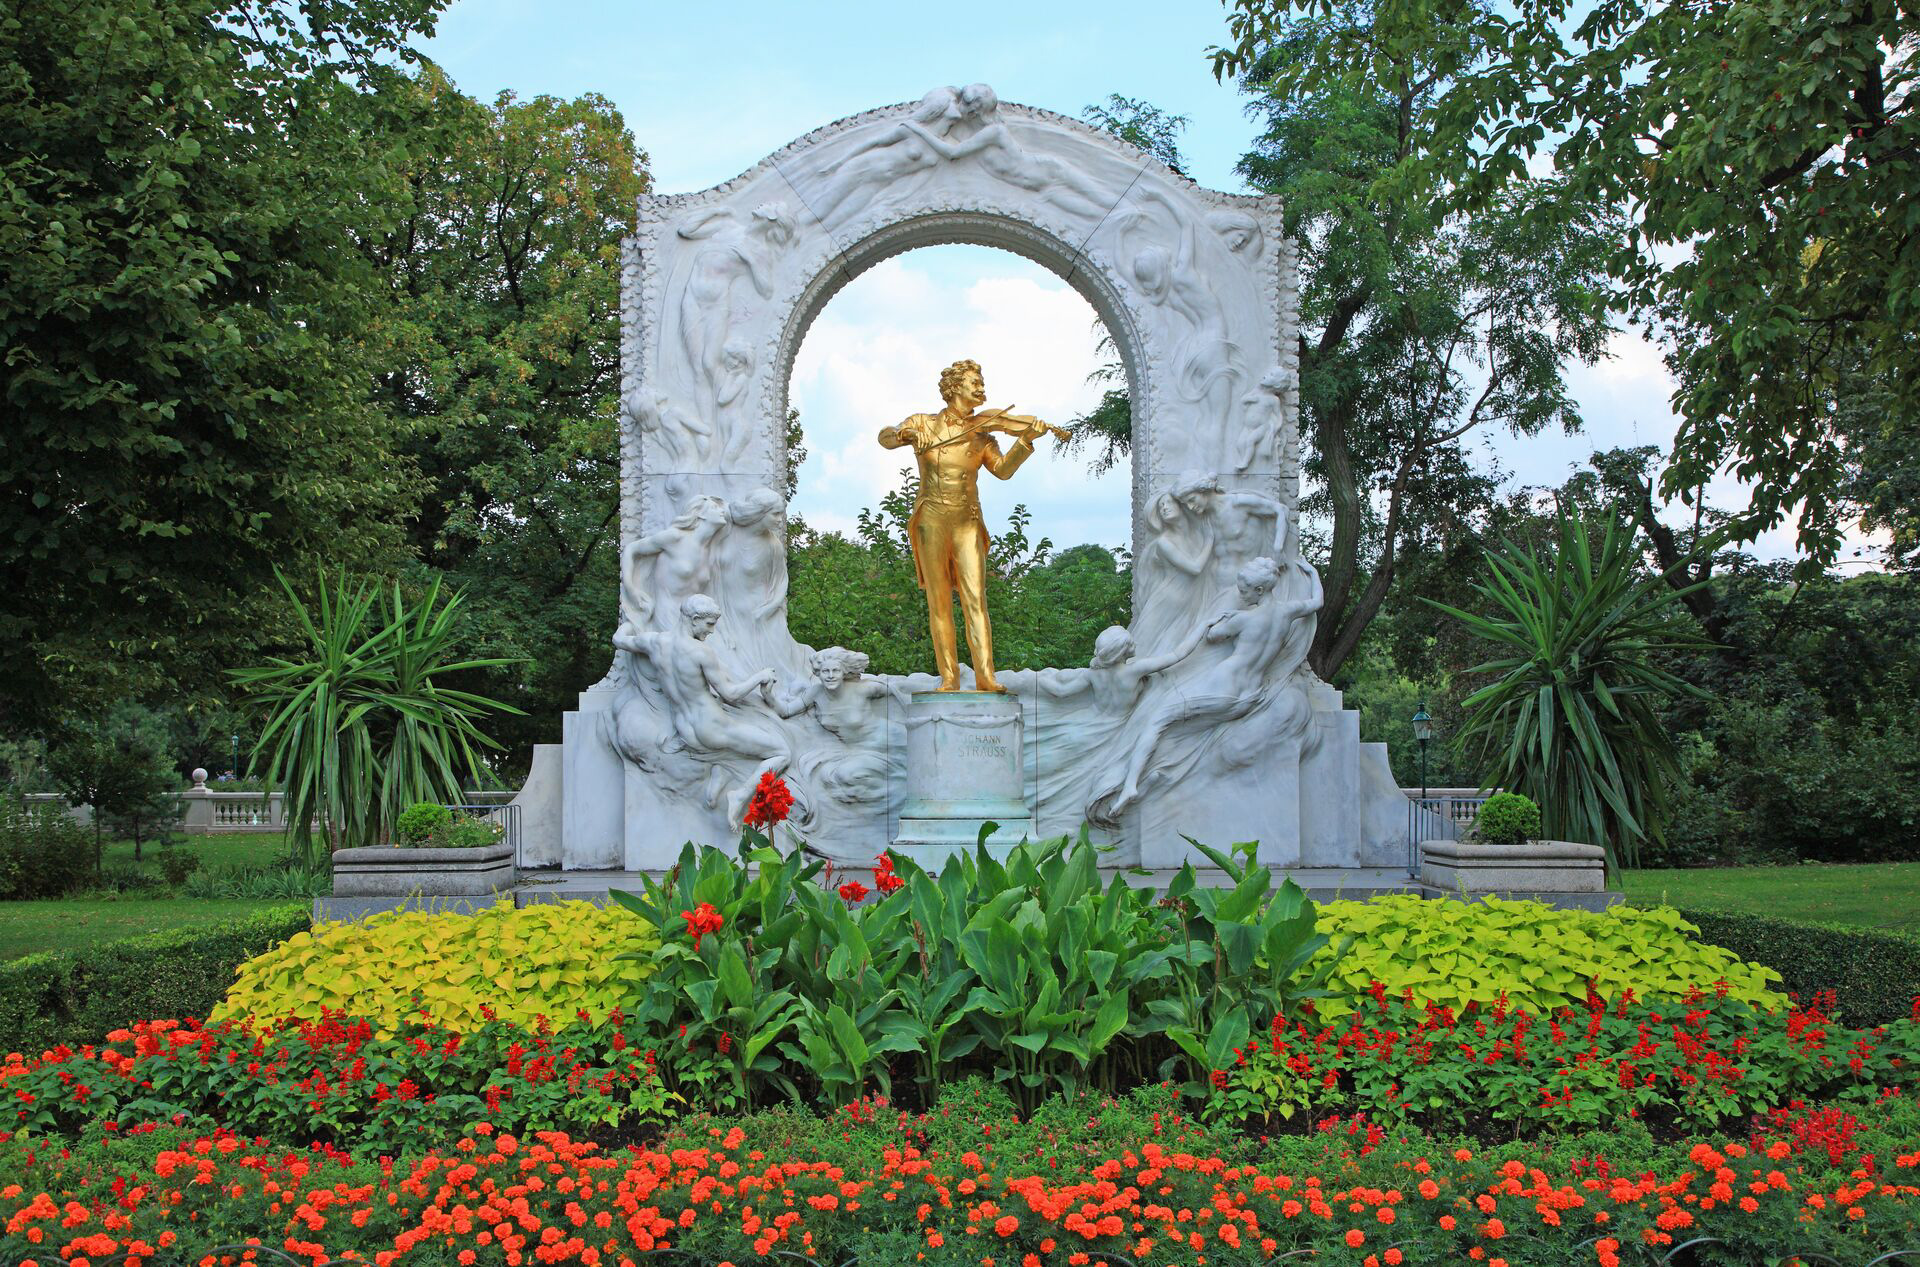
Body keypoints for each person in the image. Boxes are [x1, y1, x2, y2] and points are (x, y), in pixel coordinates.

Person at [1089, 557, 1324, 824]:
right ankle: (1155, 775)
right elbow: (1317, 602)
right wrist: (1311, 571)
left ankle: (1130, 784)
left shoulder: (1244, 620)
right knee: (1182, 731)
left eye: (1244, 589)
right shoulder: (1287, 612)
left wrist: (1224, 619)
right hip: (1250, 695)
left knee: (1157, 721)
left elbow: (1214, 636)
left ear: (1260, 590)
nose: (1240, 593)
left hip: (1223, 687)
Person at [877, 359, 1055, 692]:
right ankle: (949, 678)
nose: (981, 387)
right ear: (955, 386)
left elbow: (1002, 470)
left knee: (976, 599)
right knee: (939, 601)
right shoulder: (924, 423)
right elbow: (884, 438)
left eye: (981, 381)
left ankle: (985, 676)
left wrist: (1026, 440)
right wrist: (904, 434)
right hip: (931, 519)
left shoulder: (983, 435)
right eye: (975, 381)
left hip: (967, 522)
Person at [613, 594, 788, 824]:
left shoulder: (654, 642)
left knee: (734, 744)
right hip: (712, 726)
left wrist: (628, 623)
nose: (712, 631)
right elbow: (731, 695)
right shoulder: (700, 652)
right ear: (694, 619)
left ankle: (720, 773)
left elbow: (620, 639)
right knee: (781, 752)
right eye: (709, 624)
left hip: (685, 731)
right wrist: (760, 676)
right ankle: (740, 795)